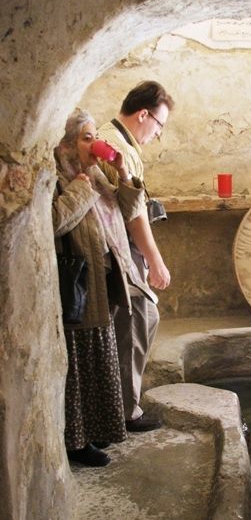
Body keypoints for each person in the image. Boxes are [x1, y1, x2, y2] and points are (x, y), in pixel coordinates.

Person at [53, 108, 146, 466]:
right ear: (67, 143)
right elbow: (54, 222)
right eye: (86, 138)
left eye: (95, 137)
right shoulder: (58, 177)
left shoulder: (93, 172)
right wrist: (80, 190)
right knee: (79, 366)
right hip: (77, 282)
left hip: (104, 278)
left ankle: (98, 430)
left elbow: (128, 211)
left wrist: (123, 173)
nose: (94, 144)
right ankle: (77, 442)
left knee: (99, 358)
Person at [97, 81, 174, 432]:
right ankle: (126, 411)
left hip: (115, 246)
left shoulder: (114, 139)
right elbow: (134, 214)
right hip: (116, 247)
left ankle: (119, 404)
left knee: (141, 318)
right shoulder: (120, 149)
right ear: (143, 115)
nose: (158, 134)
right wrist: (155, 260)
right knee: (137, 318)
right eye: (159, 125)